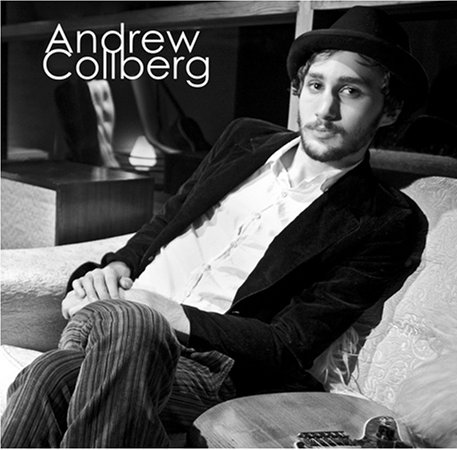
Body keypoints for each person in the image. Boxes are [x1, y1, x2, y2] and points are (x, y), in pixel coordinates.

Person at [2, 6, 428, 448]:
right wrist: (113, 267)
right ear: (299, 88)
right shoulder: (244, 139)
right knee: (94, 345)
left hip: (211, 366)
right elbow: (168, 219)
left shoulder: (386, 219)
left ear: (390, 109)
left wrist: (164, 312)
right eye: (316, 86)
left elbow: (288, 345)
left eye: (351, 91)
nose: (325, 109)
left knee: (49, 376)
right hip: (115, 321)